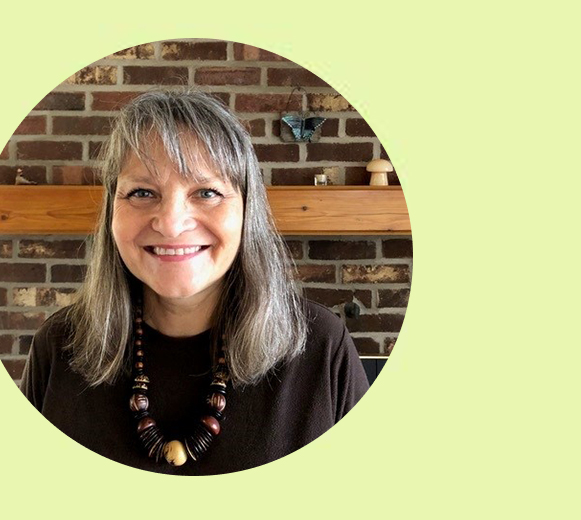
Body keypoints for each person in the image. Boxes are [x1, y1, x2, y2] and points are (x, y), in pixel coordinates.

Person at [21, 88, 369, 475]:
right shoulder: (58, 347)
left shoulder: (322, 346)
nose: (171, 224)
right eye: (141, 192)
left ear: (246, 211)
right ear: (111, 212)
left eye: (207, 192)